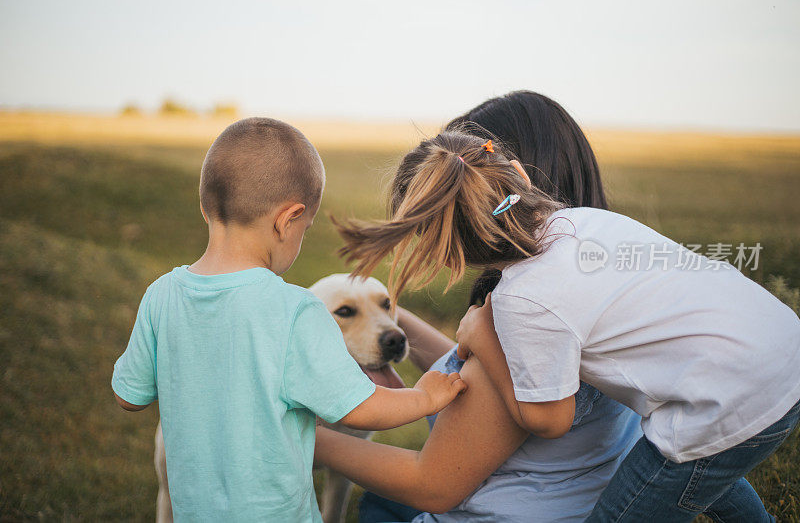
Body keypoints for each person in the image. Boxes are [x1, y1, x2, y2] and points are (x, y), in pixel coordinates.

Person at [331, 126, 800, 521]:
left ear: (448, 252)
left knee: (672, 467)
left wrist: (481, 338)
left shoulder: (525, 300)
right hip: (780, 354)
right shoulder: (584, 223)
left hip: (724, 399)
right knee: (704, 464)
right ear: (516, 173)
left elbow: (550, 419)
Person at [110, 117, 466, 522]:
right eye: (306, 228)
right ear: (287, 220)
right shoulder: (296, 309)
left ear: (205, 207)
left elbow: (128, 395)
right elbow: (358, 409)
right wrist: (425, 397)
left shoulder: (161, 294)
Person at [319, 92, 642, 523]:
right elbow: (479, 383)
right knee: (380, 503)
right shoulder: (596, 263)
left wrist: (307, 438)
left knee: (382, 504)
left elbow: (429, 484)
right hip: (573, 494)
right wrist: (380, 315)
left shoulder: (529, 312)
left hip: (498, 511)